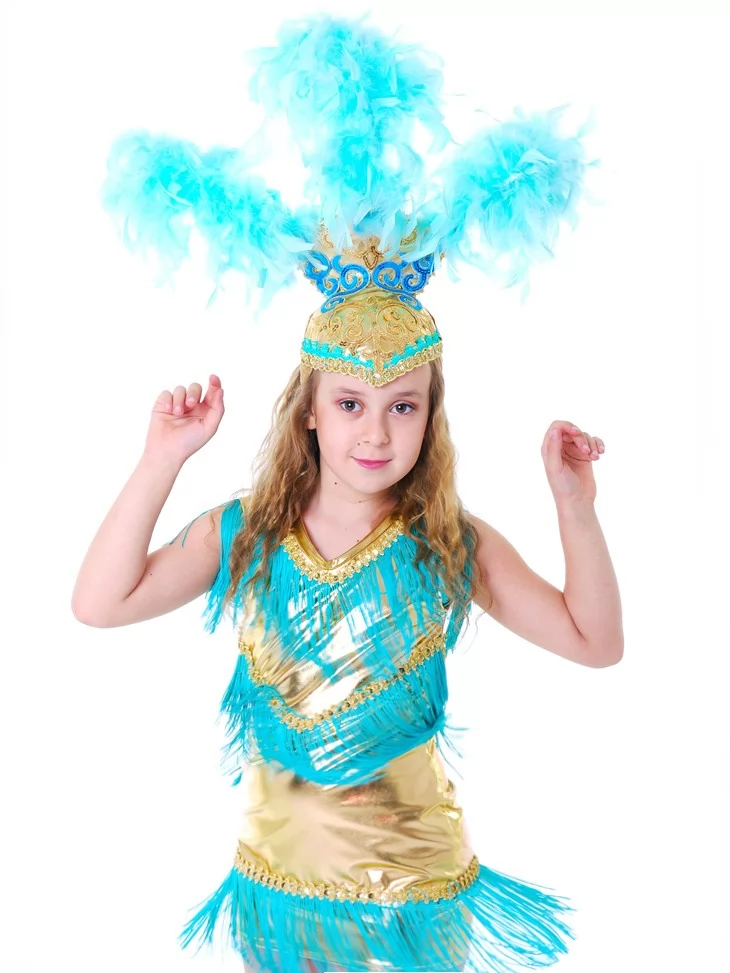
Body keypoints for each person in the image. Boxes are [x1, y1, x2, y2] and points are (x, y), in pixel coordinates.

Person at [72, 14, 622, 972]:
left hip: (415, 904)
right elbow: (99, 602)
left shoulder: (451, 543)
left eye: (403, 406)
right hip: (280, 899)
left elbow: (594, 641)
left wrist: (575, 508)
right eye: (352, 404)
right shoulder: (246, 534)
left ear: (431, 417)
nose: (376, 432)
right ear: (311, 413)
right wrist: (163, 459)